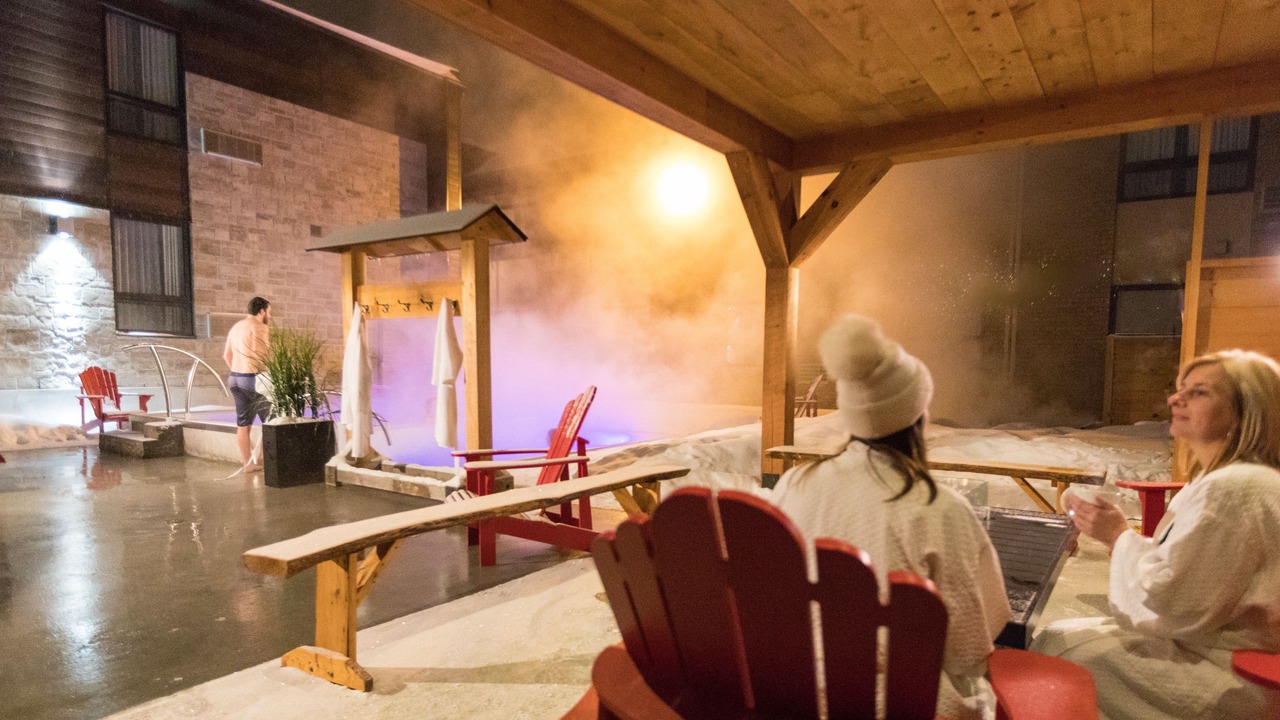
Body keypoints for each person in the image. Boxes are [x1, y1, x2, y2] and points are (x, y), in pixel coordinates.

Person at [770, 314, 1010, 720]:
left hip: (799, 692)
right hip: (902, 702)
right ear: (918, 416)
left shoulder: (795, 484)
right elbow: (973, 643)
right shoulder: (939, 509)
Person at [1034, 349, 1280, 719]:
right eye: (1180, 389)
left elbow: (1175, 602)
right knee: (1062, 632)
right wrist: (1114, 533)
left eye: (1199, 392)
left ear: (1246, 411)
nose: (1174, 399)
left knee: (1059, 656)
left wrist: (1118, 535)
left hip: (1234, 674)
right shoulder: (1236, 480)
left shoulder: (1234, 489)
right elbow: (1191, 571)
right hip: (1215, 647)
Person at [223, 296, 271, 472]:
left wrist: (239, 371)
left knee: (243, 423)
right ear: (262, 311)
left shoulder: (236, 327)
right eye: (269, 312)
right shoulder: (261, 327)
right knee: (271, 421)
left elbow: (227, 355)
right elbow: (265, 355)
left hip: (235, 378)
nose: (269, 316)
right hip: (253, 378)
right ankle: (263, 459)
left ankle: (248, 464)